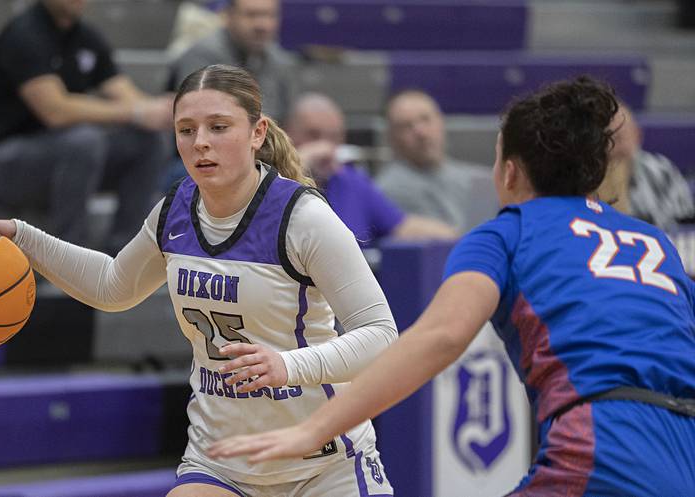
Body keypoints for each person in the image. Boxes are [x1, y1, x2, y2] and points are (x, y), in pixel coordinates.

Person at [209, 77, 695, 496]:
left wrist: (313, 429)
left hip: (605, 444)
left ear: (508, 171)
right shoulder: (652, 241)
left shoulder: (508, 231)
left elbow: (440, 337)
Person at [0, 64, 395, 497]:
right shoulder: (174, 212)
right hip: (220, 463)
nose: (200, 143)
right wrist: (23, 237)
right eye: (186, 130)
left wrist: (289, 365)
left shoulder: (304, 219)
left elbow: (381, 337)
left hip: (322, 464)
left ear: (258, 133)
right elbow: (112, 287)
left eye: (219, 127)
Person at [0, 0, 173, 255]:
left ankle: (127, 259)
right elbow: (55, 111)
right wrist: (137, 111)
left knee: (146, 142)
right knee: (83, 141)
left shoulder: (86, 37)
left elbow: (130, 98)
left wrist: (165, 110)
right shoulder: (24, 34)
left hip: (59, 156)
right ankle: (70, 260)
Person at [286, 93, 457, 247]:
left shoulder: (351, 181)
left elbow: (403, 226)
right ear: (288, 134)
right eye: (313, 135)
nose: (325, 147)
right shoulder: (271, 177)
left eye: (334, 137)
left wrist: (465, 239)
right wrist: (300, 163)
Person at [376, 89, 496, 232]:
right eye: (406, 126)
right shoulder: (388, 189)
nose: (421, 132)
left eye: (425, 119)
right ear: (392, 138)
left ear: (441, 121)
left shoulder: (477, 177)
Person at [165, 0, 296, 123]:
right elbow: (201, 119)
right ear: (228, 16)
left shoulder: (279, 59)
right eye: (251, 15)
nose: (262, 25)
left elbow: (287, 117)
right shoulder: (203, 55)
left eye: (270, 16)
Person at [597, 101, 695, 231]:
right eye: (609, 137)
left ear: (637, 134)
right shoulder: (586, 176)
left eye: (621, 136)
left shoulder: (661, 171)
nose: (615, 144)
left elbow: (685, 223)